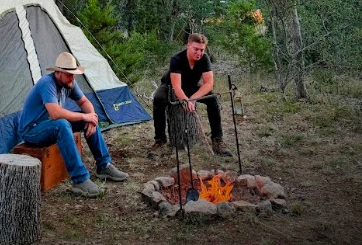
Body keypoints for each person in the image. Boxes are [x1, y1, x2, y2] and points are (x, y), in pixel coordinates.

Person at [18, 52, 129, 197]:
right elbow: (55, 113)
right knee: (62, 124)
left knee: (85, 119)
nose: (72, 78)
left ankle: (104, 165)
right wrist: (85, 116)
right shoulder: (47, 83)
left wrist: (91, 119)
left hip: (50, 125)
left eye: (74, 74)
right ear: (58, 73)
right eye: (69, 75)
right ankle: (79, 179)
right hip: (32, 130)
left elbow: (84, 102)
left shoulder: (69, 82)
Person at [152, 33, 232, 157]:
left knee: (213, 99)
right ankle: (160, 141)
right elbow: (176, 86)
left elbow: (209, 83)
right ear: (188, 45)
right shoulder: (176, 59)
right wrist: (185, 100)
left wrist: (193, 98)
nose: (199, 53)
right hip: (170, 86)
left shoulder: (204, 58)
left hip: (191, 86)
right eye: (196, 49)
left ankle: (217, 139)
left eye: (202, 50)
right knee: (158, 99)